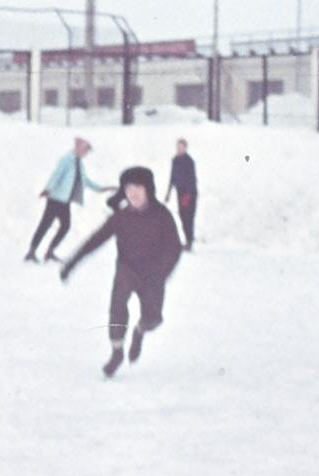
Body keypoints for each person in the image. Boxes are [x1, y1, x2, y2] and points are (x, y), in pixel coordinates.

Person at [59, 165, 183, 379]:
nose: (132, 192)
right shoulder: (122, 217)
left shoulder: (162, 216)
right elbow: (95, 240)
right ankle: (117, 352)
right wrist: (72, 263)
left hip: (153, 273)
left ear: (148, 189)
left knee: (154, 318)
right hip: (127, 268)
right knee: (117, 308)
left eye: (137, 187)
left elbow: (175, 248)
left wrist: (161, 272)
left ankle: (139, 331)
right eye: (127, 188)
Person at [24, 136, 111, 263]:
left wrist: (100, 189)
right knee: (45, 224)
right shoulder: (66, 159)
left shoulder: (79, 163)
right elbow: (57, 174)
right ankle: (31, 252)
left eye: (87, 151)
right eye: (85, 150)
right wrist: (48, 189)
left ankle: (50, 252)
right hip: (55, 199)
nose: (86, 153)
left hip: (65, 201)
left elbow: (84, 180)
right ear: (78, 148)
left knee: (65, 226)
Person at [164, 138, 199, 250]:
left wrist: (188, 196)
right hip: (180, 193)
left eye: (181, 147)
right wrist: (168, 193)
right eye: (177, 146)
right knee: (182, 216)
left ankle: (189, 242)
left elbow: (192, 179)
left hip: (189, 193)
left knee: (188, 217)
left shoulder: (189, 161)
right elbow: (172, 177)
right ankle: (188, 240)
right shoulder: (175, 160)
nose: (179, 149)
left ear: (185, 148)